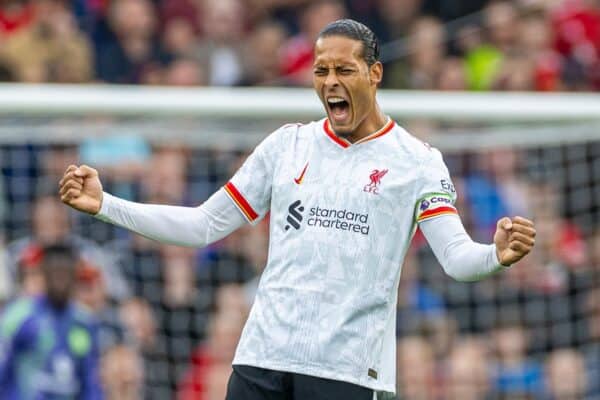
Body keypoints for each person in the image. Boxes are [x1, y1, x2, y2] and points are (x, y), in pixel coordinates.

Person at [59, 19, 536, 400]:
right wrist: (106, 205)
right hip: (262, 360)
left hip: (348, 371)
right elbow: (205, 224)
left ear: (375, 74)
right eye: (320, 71)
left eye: (344, 70)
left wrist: (495, 254)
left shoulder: (417, 161)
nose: (330, 82)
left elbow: (456, 258)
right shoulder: (286, 145)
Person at [0, 243, 102, 399]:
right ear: (44, 274)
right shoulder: (18, 316)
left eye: (65, 273)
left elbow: (89, 382)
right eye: (55, 273)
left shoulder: (84, 322)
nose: (60, 280)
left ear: (74, 275)